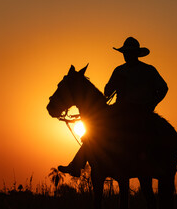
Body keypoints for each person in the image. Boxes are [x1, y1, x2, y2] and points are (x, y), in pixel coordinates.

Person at [58, 37, 168, 177]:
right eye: (125, 52)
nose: (126, 55)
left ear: (135, 53)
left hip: (140, 111)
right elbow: (107, 92)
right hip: (119, 109)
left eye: (129, 52)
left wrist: (152, 104)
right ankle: (78, 163)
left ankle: (151, 163)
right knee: (95, 131)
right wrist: (117, 83)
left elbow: (163, 88)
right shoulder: (120, 71)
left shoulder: (148, 70)